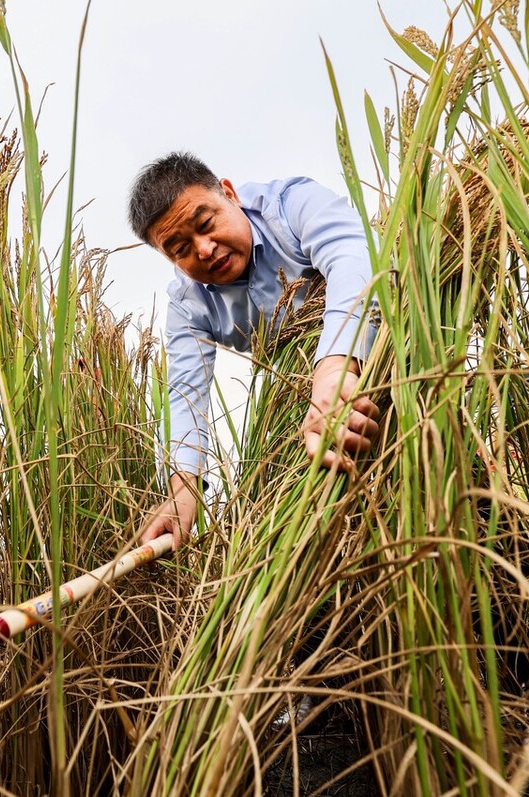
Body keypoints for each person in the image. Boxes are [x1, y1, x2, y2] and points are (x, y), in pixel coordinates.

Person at [129, 152, 382, 550]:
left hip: (384, 352)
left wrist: (333, 370)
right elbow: (185, 394)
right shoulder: (187, 305)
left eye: (206, 224)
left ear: (229, 194)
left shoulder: (291, 204)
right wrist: (183, 489)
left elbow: (356, 257)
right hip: (307, 407)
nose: (205, 249)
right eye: (180, 248)